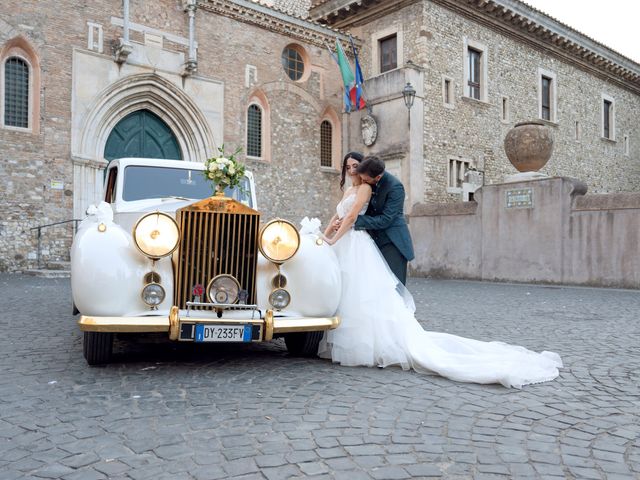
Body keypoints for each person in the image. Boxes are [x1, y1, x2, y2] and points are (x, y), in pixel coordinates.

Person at [315, 153, 563, 388]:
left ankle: (397, 339)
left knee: (392, 294)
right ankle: (381, 337)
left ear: (375, 176)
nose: (355, 174)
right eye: (351, 169)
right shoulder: (365, 184)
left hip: (393, 243)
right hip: (370, 243)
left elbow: (387, 219)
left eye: (359, 171)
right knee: (374, 292)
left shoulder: (395, 187)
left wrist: (353, 223)